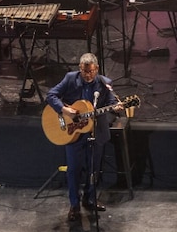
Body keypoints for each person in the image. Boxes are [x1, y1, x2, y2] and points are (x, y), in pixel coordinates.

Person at [46, 53, 122, 222]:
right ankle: (74, 205)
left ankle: (89, 199)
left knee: (93, 169)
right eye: (84, 71)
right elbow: (51, 95)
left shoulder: (105, 83)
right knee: (73, 170)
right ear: (80, 69)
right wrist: (64, 110)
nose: (88, 75)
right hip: (73, 133)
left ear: (97, 69)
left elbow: (111, 101)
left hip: (96, 132)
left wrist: (117, 107)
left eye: (91, 72)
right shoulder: (70, 79)